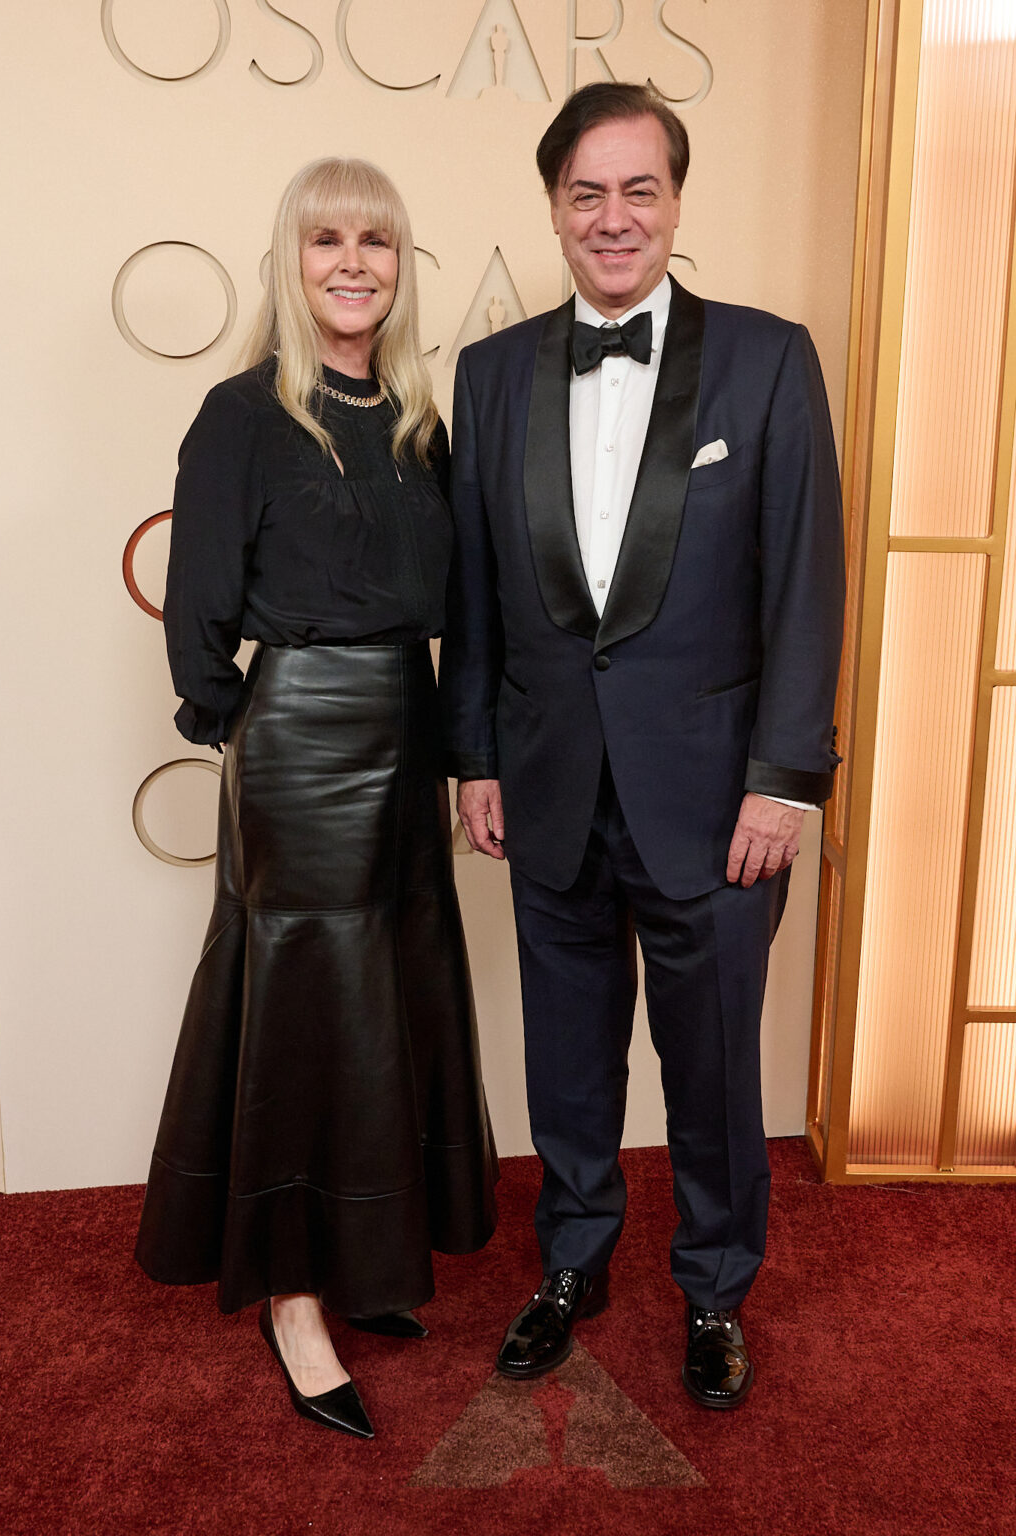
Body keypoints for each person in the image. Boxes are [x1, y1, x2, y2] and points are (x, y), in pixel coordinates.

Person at [439, 82, 844, 1410]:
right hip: (547, 783)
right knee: (564, 1055)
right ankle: (570, 1264)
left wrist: (784, 781)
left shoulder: (767, 358)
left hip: (716, 801)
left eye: (638, 190)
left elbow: (802, 582)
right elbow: (475, 594)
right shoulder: (491, 373)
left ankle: (715, 1288)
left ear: (673, 199)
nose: (611, 218)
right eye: (584, 193)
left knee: (715, 1066)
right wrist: (474, 754)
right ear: (552, 207)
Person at [135, 157, 498, 1439]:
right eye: (327, 240)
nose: (354, 262)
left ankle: (364, 1260)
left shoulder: (416, 426)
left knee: (387, 1001)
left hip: (408, 736)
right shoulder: (242, 415)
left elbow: (455, 620)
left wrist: (466, 756)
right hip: (299, 748)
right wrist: (243, 727)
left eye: (379, 242)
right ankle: (294, 1299)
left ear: (402, 266)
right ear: (291, 260)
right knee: (301, 1015)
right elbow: (196, 617)